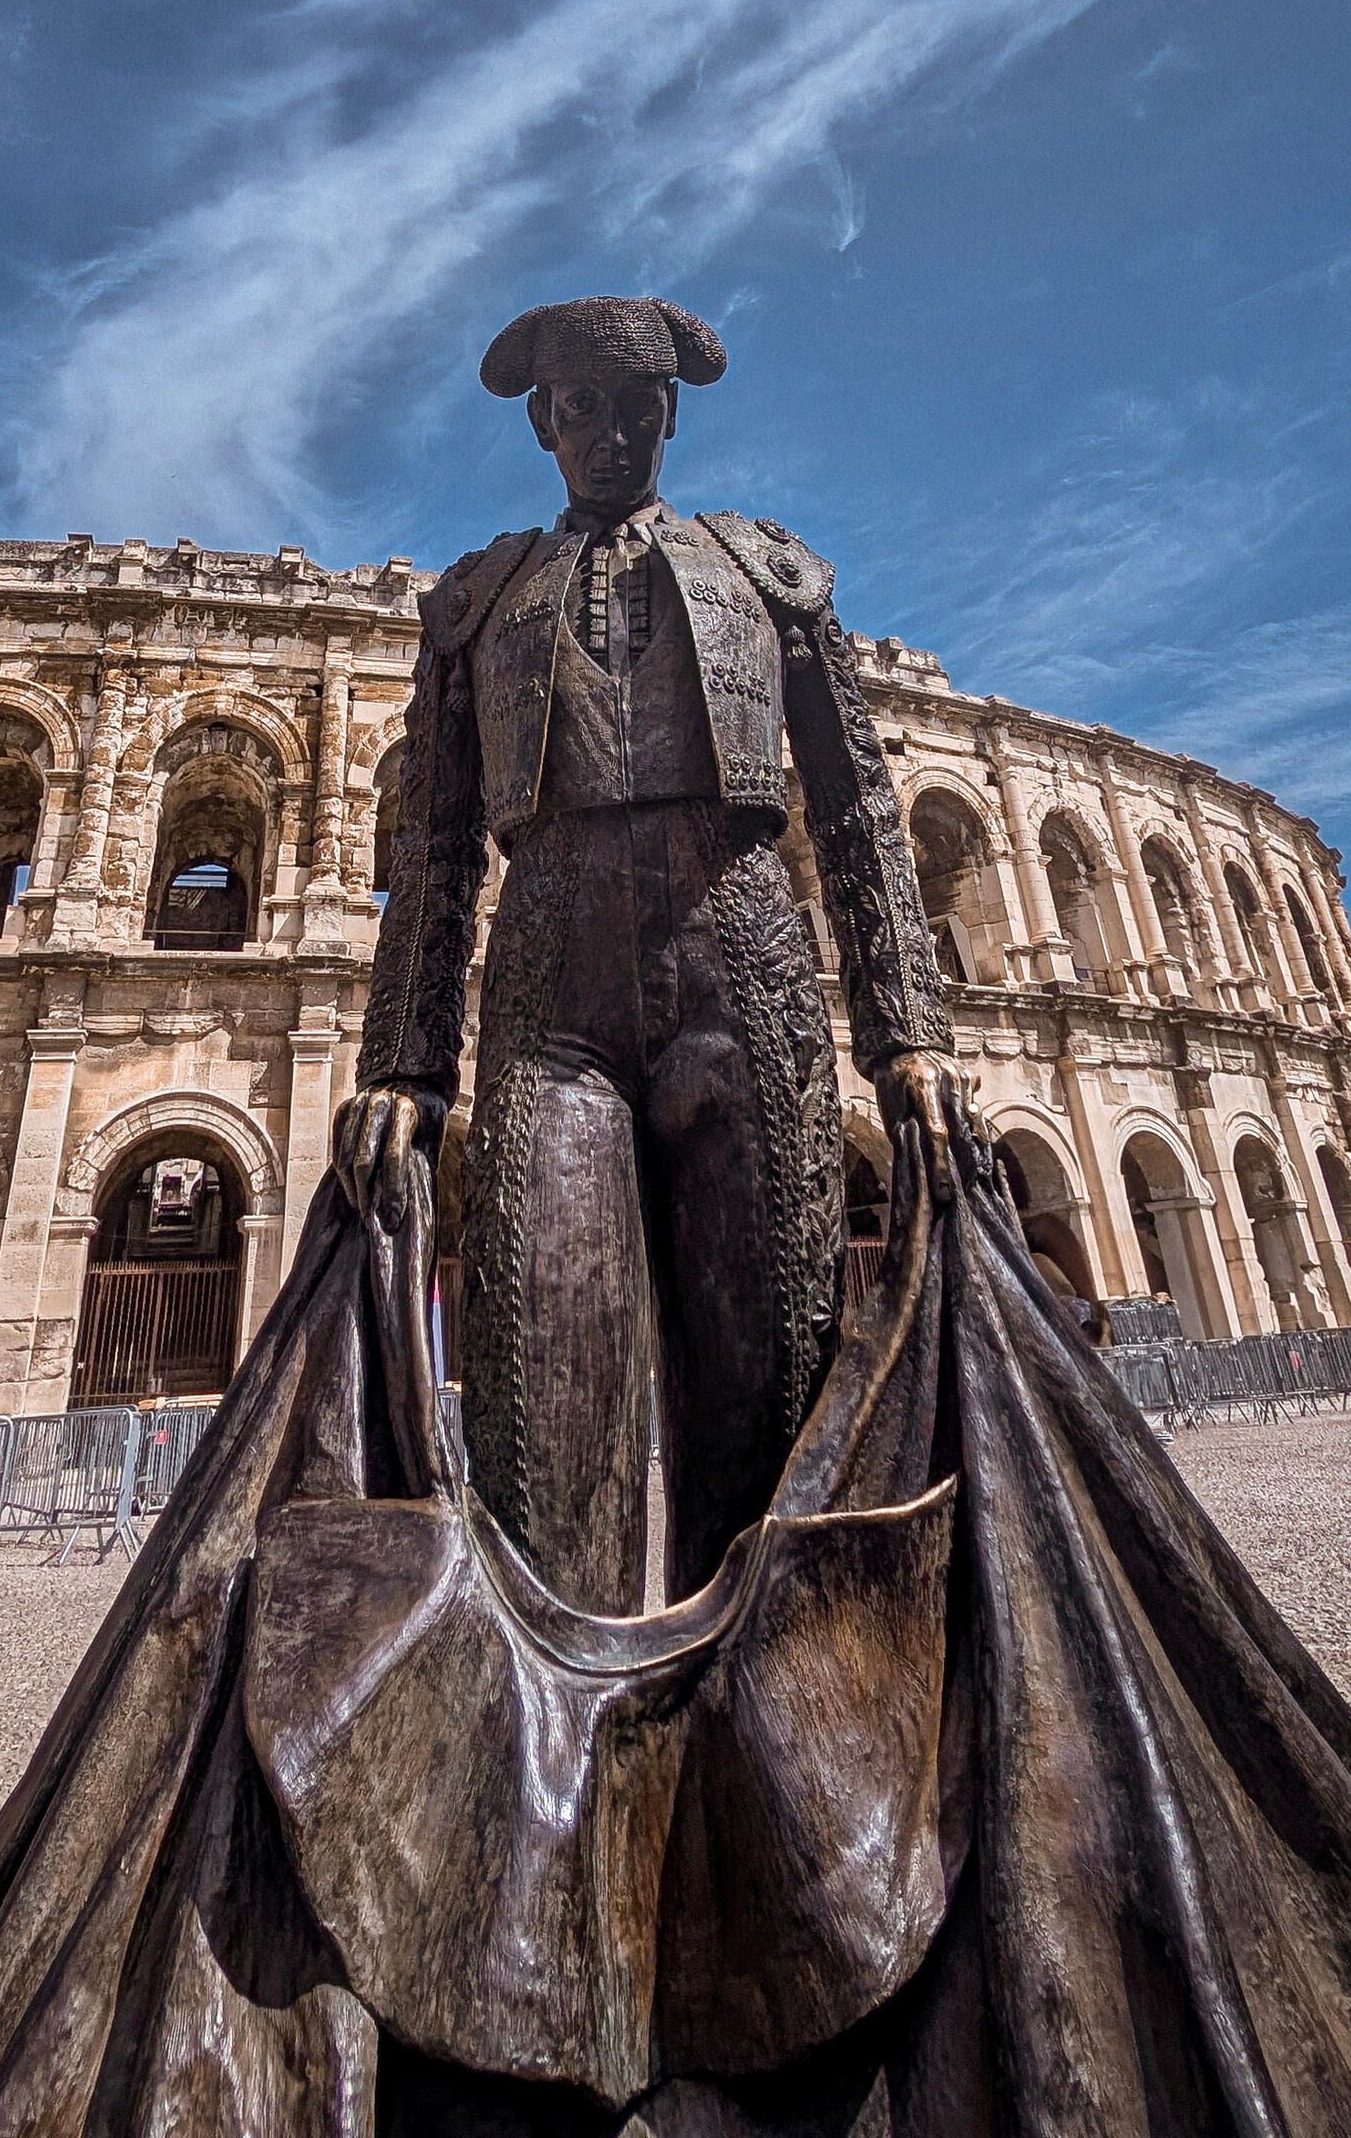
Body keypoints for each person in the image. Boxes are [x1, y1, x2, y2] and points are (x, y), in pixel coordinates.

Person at [336, 294, 957, 1611]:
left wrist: (909, 1031)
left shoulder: (767, 575)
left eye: (640, 408)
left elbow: (857, 813)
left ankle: (760, 1750)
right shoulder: (475, 604)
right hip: (548, 989)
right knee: (541, 1404)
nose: (616, 434)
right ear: (542, 425)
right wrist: (405, 1062)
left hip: (746, 967)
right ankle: (566, 1750)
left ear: (670, 414)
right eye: (587, 410)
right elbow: (435, 852)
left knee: (765, 1406)